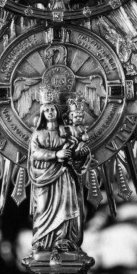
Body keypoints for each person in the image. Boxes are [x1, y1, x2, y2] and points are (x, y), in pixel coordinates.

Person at [28, 90, 85, 252]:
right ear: (42, 113)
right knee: (43, 206)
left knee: (65, 205)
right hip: (43, 175)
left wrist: (79, 150)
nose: (50, 112)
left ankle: (63, 239)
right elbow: (35, 153)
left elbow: (77, 148)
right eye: (46, 110)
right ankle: (41, 240)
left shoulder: (66, 131)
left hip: (64, 174)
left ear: (57, 111)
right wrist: (55, 154)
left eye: (52, 109)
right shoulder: (37, 134)